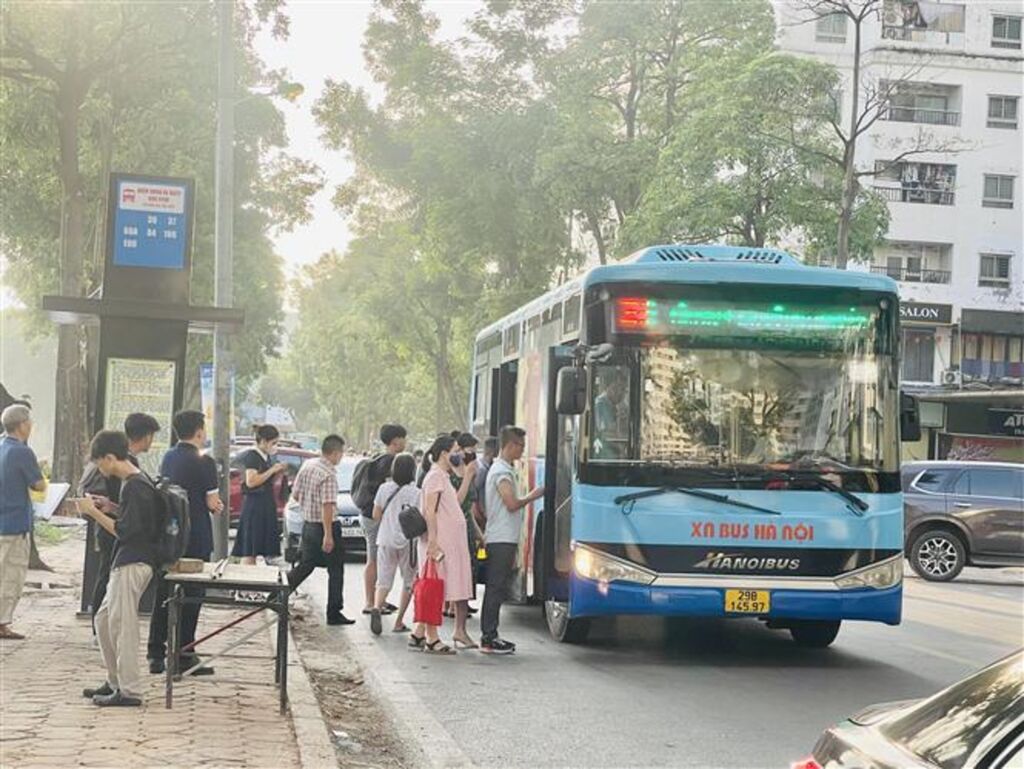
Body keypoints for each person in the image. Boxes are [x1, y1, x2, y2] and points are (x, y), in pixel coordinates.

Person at [78, 430, 161, 707]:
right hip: (128, 559)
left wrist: (93, 512)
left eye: (100, 462)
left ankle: (129, 690)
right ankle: (114, 680)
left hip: (133, 561)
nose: (100, 469)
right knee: (103, 621)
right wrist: (110, 506)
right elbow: (133, 519)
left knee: (123, 626)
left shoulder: (135, 485)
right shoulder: (135, 482)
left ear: (111, 458)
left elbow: (124, 531)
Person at [147, 410, 223, 675]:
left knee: (164, 592)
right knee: (192, 595)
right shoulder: (205, 462)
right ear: (199, 432)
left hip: (170, 534)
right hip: (196, 534)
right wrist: (217, 506)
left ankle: (155, 653)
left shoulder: (168, 457)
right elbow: (212, 502)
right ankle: (184, 653)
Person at [79, 413, 160, 632]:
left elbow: (128, 518)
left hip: (127, 540)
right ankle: (101, 630)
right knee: (108, 583)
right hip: (119, 536)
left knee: (119, 614)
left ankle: (104, 632)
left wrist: (105, 509)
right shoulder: (128, 470)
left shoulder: (133, 477)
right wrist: (107, 508)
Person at [480, 425, 544, 655]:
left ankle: (490, 634)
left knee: (496, 587)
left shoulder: (502, 469)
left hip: (502, 536)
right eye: (520, 446)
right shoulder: (501, 473)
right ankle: (489, 636)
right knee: (496, 587)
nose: (522, 450)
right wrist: (533, 496)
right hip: (501, 537)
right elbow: (511, 503)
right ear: (509, 445)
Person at [410, 434, 475, 654]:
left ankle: (419, 632)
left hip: (447, 542)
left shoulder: (442, 476)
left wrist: (465, 475)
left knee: (435, 586)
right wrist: (433, 541)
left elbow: (453, 503)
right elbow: (430, 511)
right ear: (444, 454)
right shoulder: (436, 477)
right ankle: (432, 638)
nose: (460, 454)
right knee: (435, 588)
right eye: (456, 450)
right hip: (440, 544)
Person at [286, 435, 354, 625]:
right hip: (326, 526)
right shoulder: (328, 474)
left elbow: (296, 495)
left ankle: (278, 593)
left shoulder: (308, 465)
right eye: (341, 453)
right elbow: (327, 506)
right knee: (336, 570)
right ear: (335, 453)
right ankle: (334, 612)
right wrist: (328, 535)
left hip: (308, 524)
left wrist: (309, 507)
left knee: (306, 565)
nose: (341, 457)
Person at [0, 404, 46, 640]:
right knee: (11, 575)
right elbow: (38, 484)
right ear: (22, 425)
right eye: (29, 422)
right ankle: (2, 622)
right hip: (14, 521)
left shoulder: (2, 445)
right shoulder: (22, 451)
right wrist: (41, 470)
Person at [357, 424, 407, 615]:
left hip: (368, 514)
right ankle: (370, 602)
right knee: (374, 559)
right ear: (396, 441)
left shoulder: (378, 459)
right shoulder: (391, 463)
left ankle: (379, 600)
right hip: (376, 517)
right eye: (403, 438)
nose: (405, 442)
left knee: (377, 559)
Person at [369, 453, 419, 635]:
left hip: (385, 538)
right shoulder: (417, 493)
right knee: (408, 581)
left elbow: (375, 515)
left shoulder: (384, 488)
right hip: (408, 542)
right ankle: (398, 622)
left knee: (384, 580)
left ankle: (376, 606)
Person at [232, 424, 287, 564]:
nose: (275, 446)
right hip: (255, 505)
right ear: (263, 441)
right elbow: (251, 481)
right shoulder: (252, 456)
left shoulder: (266, 457)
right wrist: (272, 470)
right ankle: (247, 575)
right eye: (273, 443)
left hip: (265, 504)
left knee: (259, 548)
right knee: (250, 549)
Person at [446, 432, 484, 617]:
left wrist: (479, 534)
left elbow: (468, 509)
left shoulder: (469, 472)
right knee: (456, 568)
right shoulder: (449, 475)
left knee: (467, 568)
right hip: (453, 528)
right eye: (469, 450)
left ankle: (458, 605)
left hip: (467, 527)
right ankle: (452, 606)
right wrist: (468, 476)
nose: (471, 454)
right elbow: (456, 503)